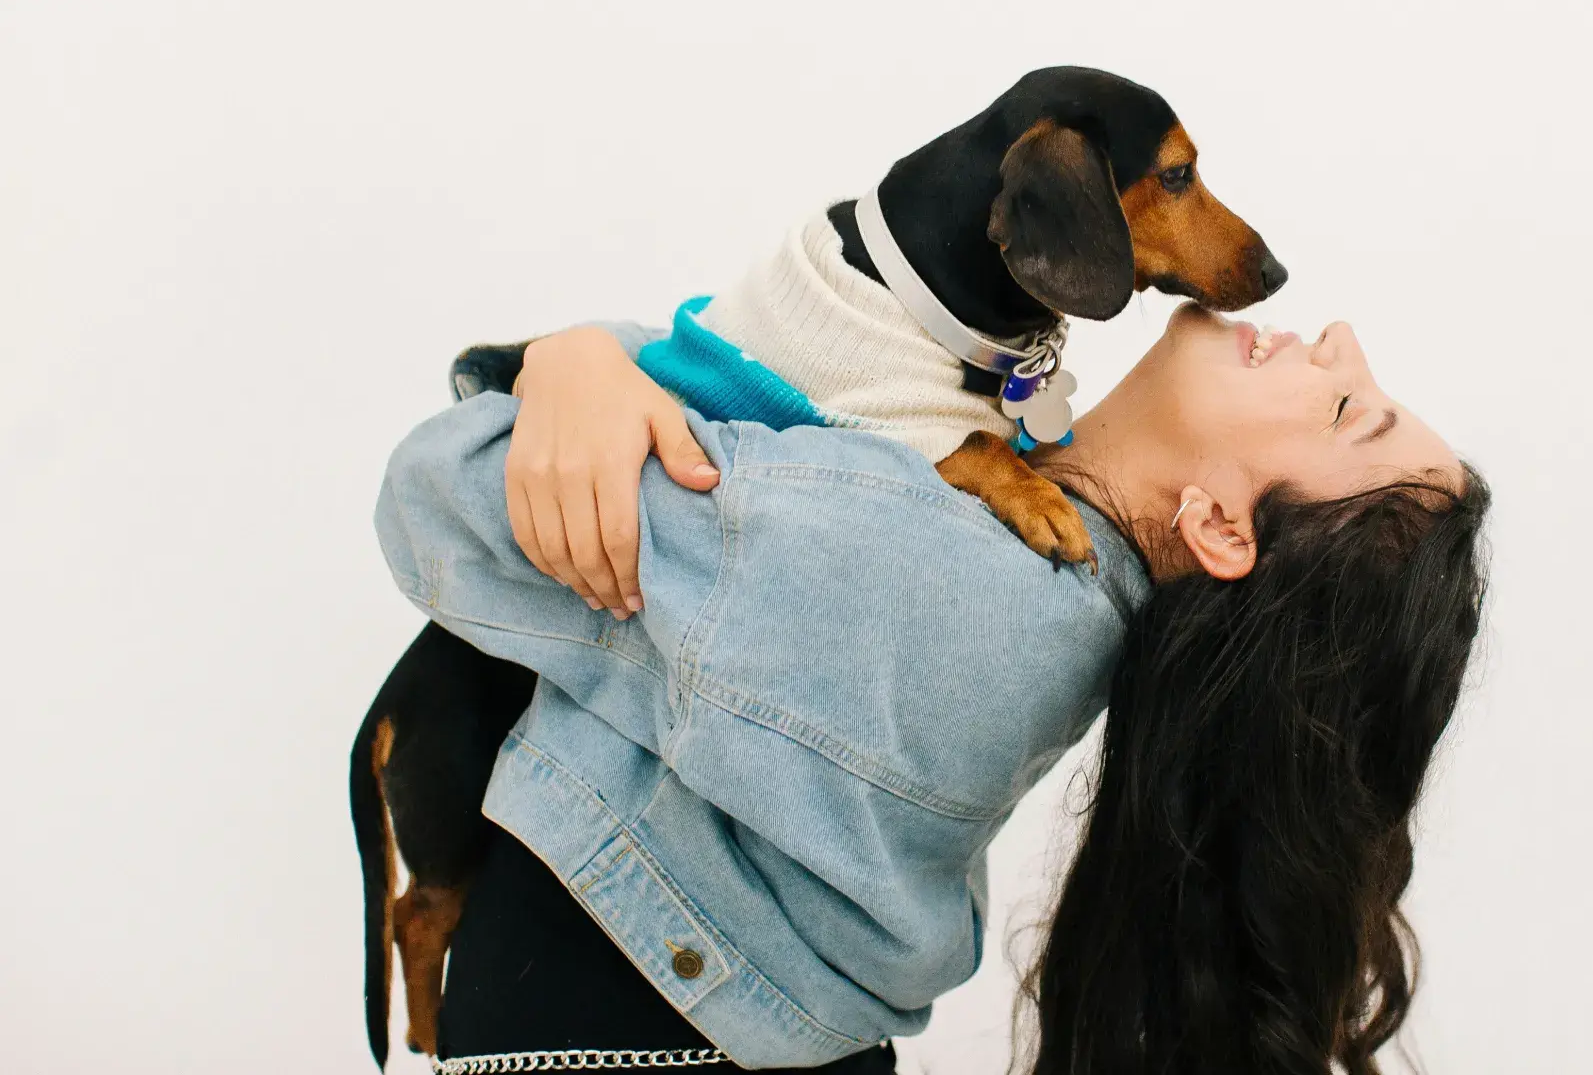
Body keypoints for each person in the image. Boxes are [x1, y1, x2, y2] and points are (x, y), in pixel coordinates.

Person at [373, 302, 1490, 1074]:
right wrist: (591, 369)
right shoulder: (1014, 577)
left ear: (1218, 525)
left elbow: (444, 495)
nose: (1341, 341)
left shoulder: (933, 573)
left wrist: (570, 362)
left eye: (1349, 410)